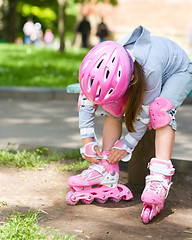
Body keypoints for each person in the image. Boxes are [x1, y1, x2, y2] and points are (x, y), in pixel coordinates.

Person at [66, 25, 192, 223]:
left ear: (131, 79)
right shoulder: (102, 61)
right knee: (113, 105)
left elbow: (145, 114)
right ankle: (107, 167)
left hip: (177, 71)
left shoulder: (150, 67)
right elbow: (87, 101)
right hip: (139, 72)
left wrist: (128, 143)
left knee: (159, 111)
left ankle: (160, 176)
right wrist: (87, 140)